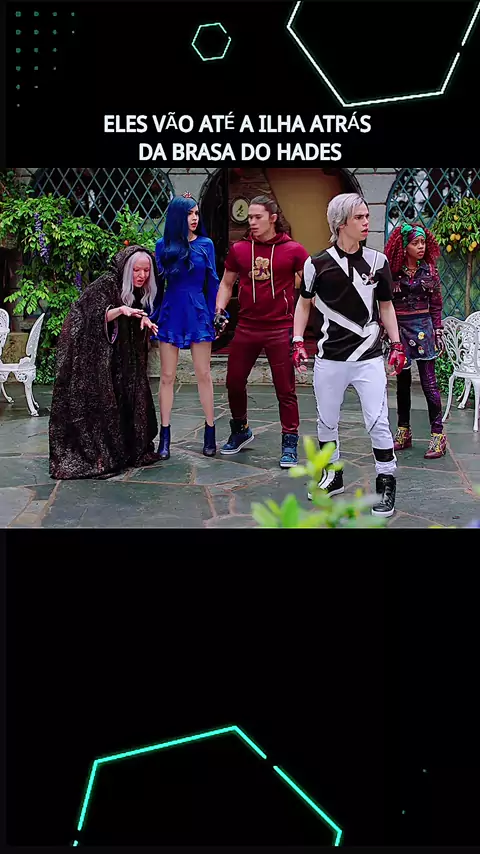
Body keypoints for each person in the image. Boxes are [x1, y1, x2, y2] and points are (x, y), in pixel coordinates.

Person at [292, 193, 406, 518]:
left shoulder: (378, 262)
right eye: (359, 217)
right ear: (341, 223)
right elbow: (304, 303)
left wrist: (397, 344)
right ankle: (333, 474)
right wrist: (297, 340)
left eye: (367, 216)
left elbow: (386, 306)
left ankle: (386, 481)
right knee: (327, 421)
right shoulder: (316, 264)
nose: (366, 222)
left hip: (369, 357)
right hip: (330, 358)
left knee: (378, 421)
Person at [49, 244, 160, 480]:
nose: (142, 275)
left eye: (146, 271)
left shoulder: (136, 290)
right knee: (103, 402)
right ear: (127, 269)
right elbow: (90, 315)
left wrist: (143, 321)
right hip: (94, 358)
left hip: (121, 358)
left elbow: (134, 312)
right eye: (137, 271)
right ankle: (103, 456)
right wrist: (120, 310)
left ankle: (127, 449)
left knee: (128, 395)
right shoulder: (106, 283)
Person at [214, 195, 310, 468]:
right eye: (249, 217)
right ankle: (240, 429)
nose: (252, 222)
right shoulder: (240, 249)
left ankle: (289, 441)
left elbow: (310, 286)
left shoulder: (294, 250)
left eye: (258, 217)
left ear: (273, 218)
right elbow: (226, 283)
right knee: (234, 381)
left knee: (285, 389)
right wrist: (219, 310)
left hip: (280, 327)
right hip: (247, 326)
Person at [149, 193, 219, 459]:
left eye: (197, 213)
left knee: (204, 373)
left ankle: (210, 431)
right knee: (167, 376)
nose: (194, 218)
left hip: (198, 311)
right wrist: (152, 315)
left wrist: (214, 314)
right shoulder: (162, 245)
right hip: (171, 311)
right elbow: (157, 285)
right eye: (190, 213)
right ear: (178, 216)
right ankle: (164, 436)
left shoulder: (206, 244)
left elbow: (213, 281)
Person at [384, 222, 446, 459]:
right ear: (403, 247)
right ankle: (403, 431)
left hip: (424, 331)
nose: (421, 247)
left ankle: (438, 434)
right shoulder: (392, 272)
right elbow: (385, 303)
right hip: (400, 331)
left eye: (423, 242)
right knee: (402, 384)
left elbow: (436, 304)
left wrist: (437, 330)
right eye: (415, 243)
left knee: (429, 383)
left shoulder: (429, 271)